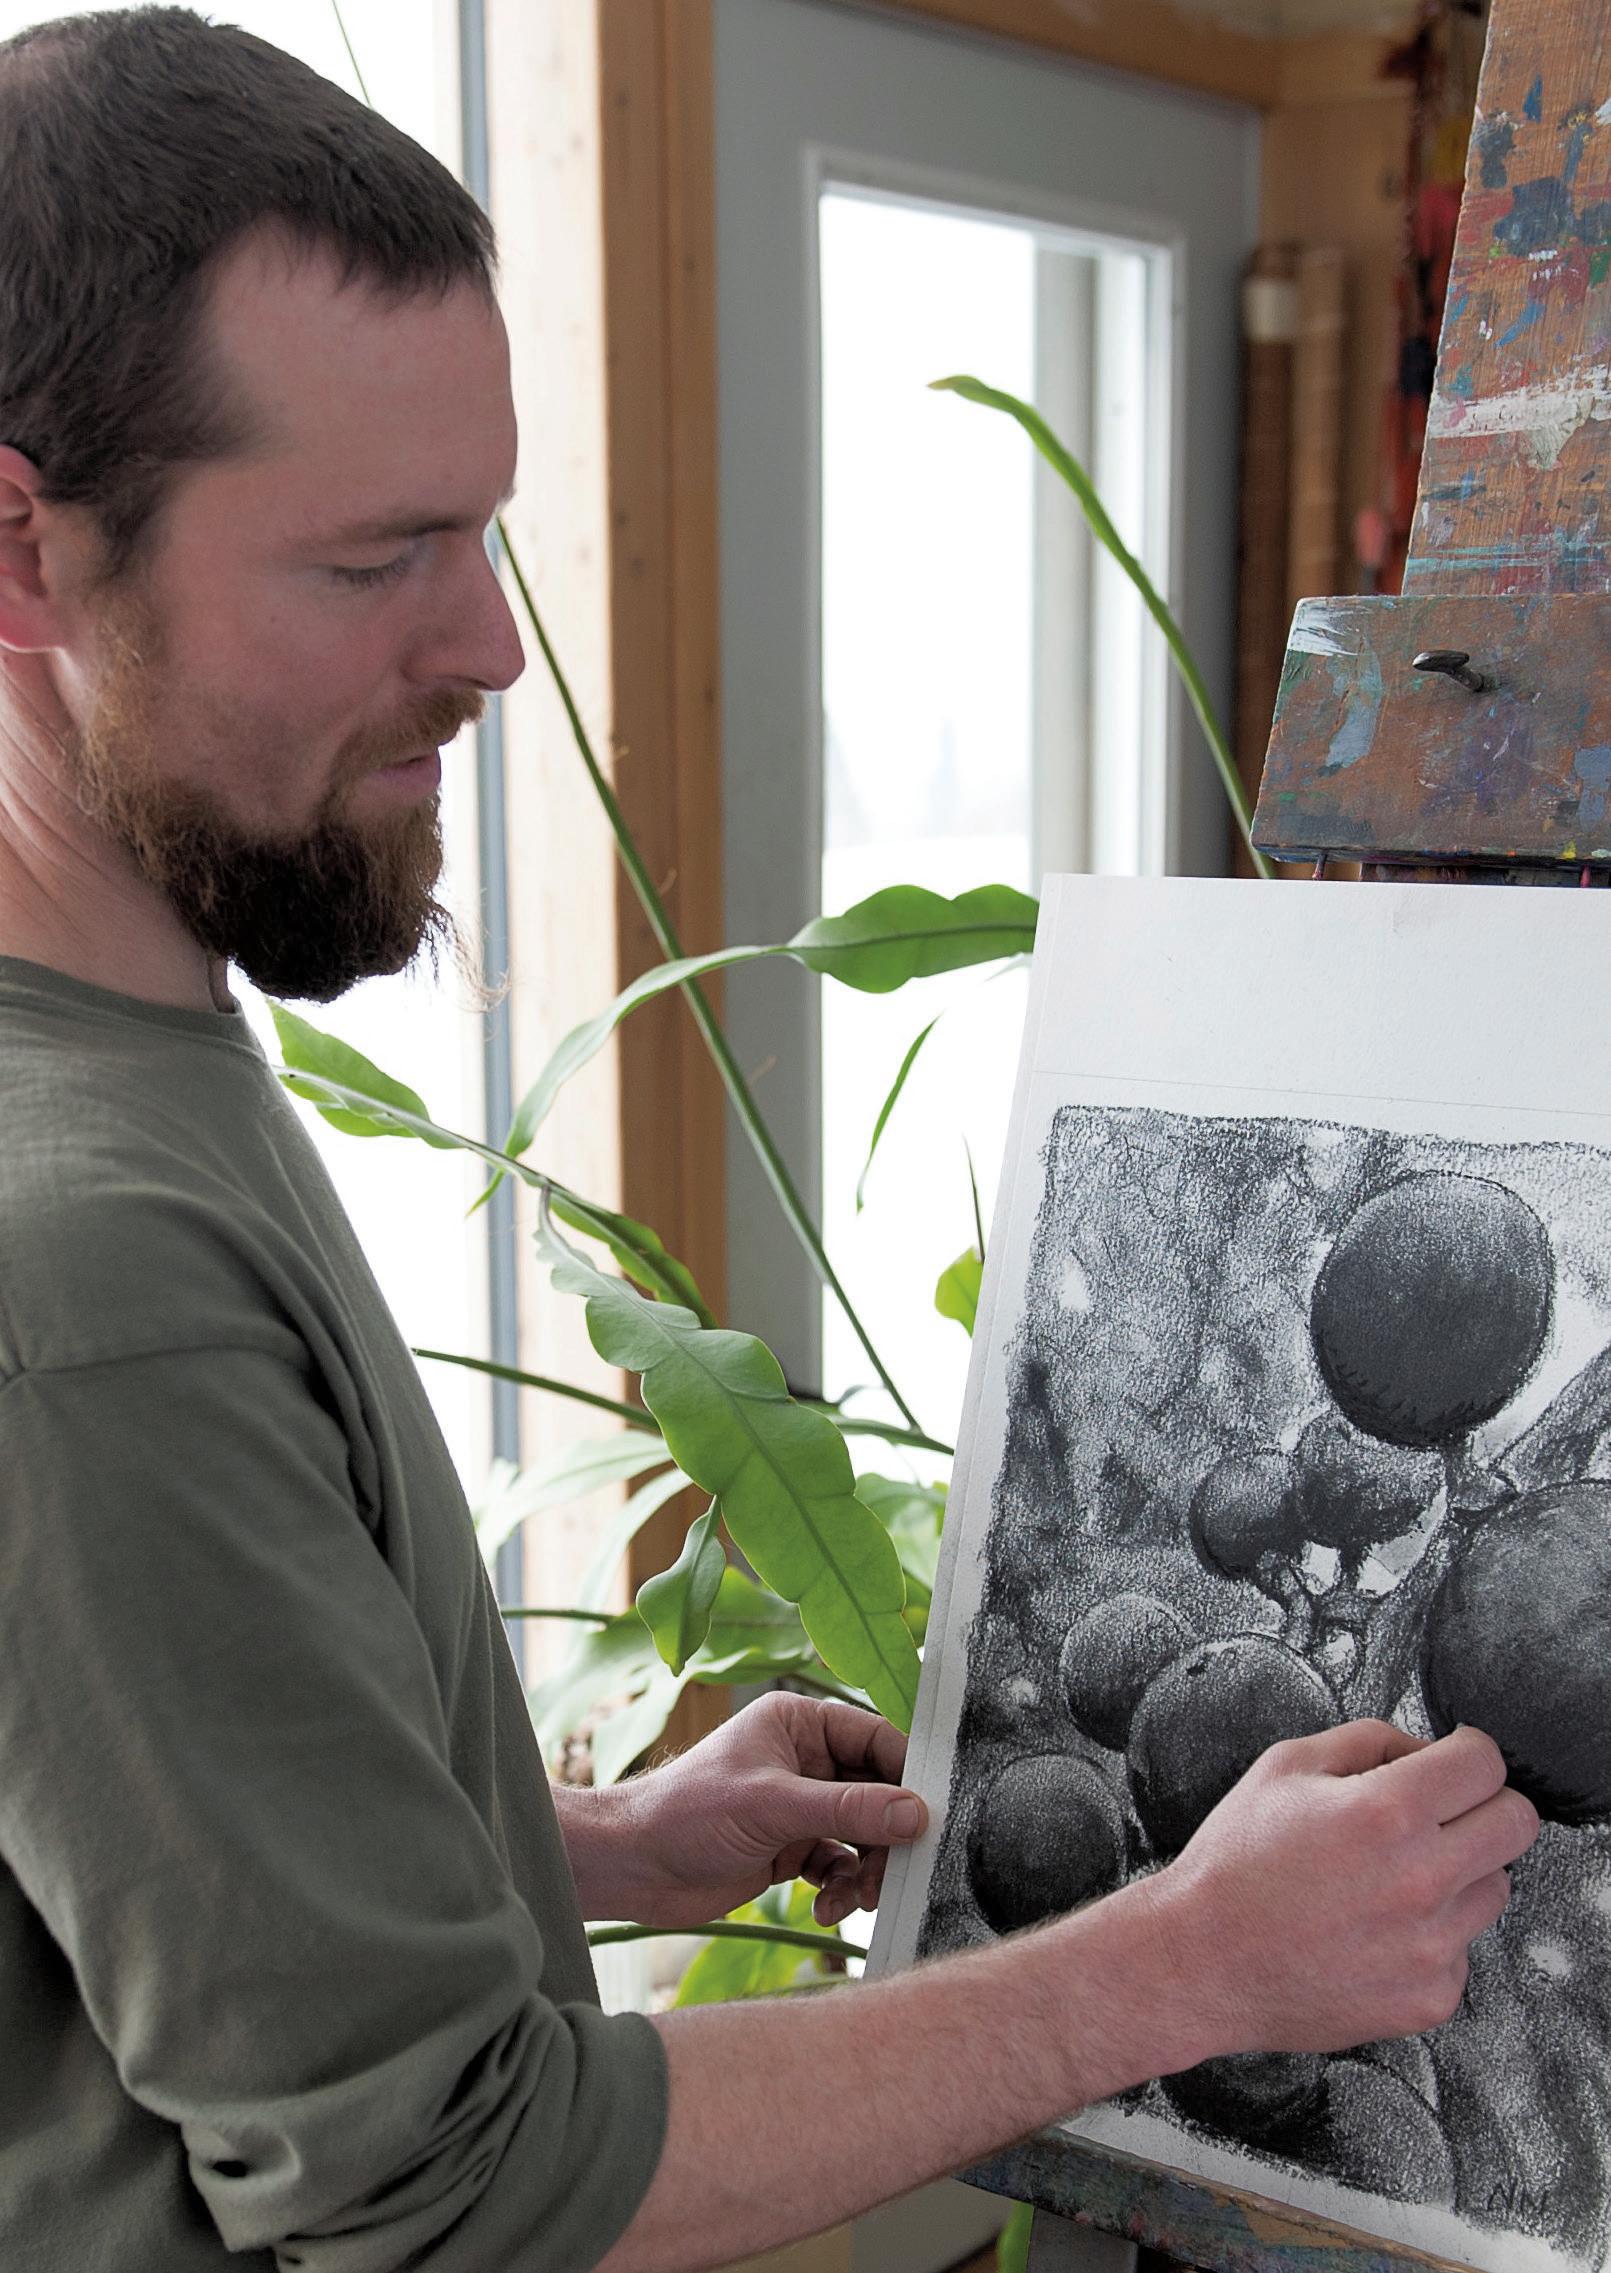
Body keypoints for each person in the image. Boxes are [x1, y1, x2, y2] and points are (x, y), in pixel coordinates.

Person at [0, 10, 1539, 2272]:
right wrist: (1190, 1962)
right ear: (26, 556)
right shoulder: (78, 1269)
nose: (489, 646)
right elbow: (441, 2189)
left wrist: (590, 1844)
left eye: (486, 527)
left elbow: (148, 1850)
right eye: (374, 559)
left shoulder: (126, 1044)